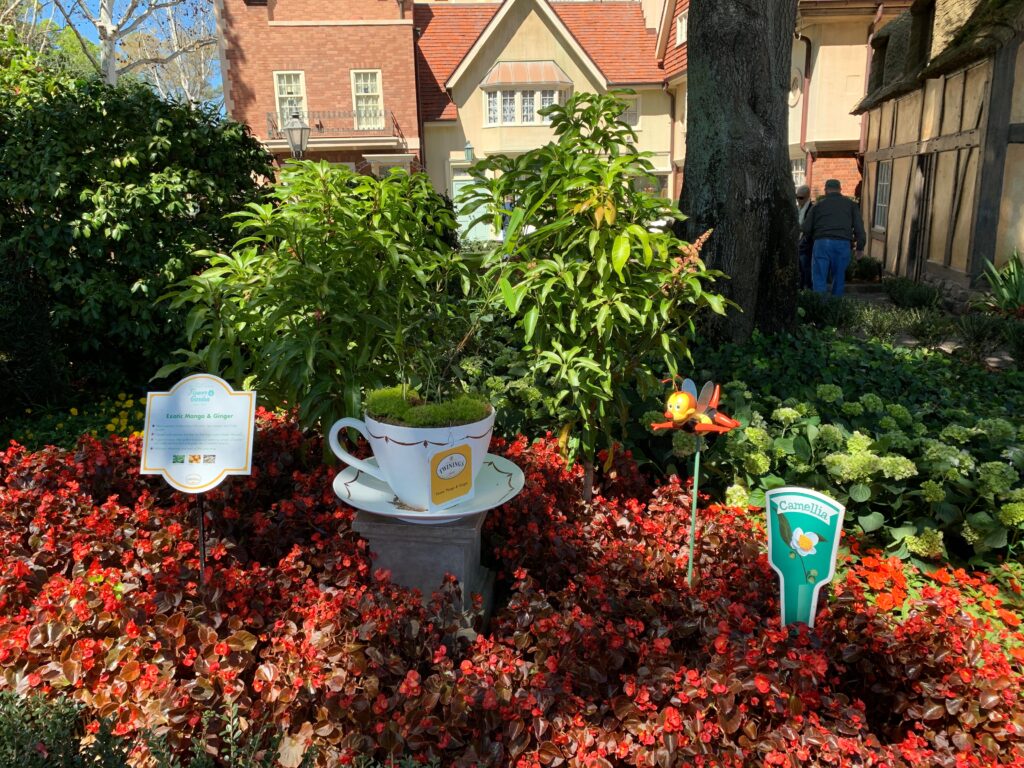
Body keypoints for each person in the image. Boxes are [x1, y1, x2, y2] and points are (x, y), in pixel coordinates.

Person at [801, 178, 865, 296]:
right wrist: (860, 248)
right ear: (840, 190)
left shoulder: (818, 205)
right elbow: (859, 227)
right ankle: (836, 308)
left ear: (826, 190)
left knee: (819, 278)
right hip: (843, 244)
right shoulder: (851, 205)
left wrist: (811, 236)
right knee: (839, 278)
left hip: (821, 243)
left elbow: (806, 228)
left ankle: (821, 307)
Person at [795, 185, 813, 289]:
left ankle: (807, 289)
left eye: (800, 198)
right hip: (797, 242)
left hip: (805, 244)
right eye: (797, 197)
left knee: (806, 268)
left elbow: (808, 227)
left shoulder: (811, 209)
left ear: (807, 197)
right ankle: (801, 288)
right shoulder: (798, 208)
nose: (798, 200)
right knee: (799, 269)